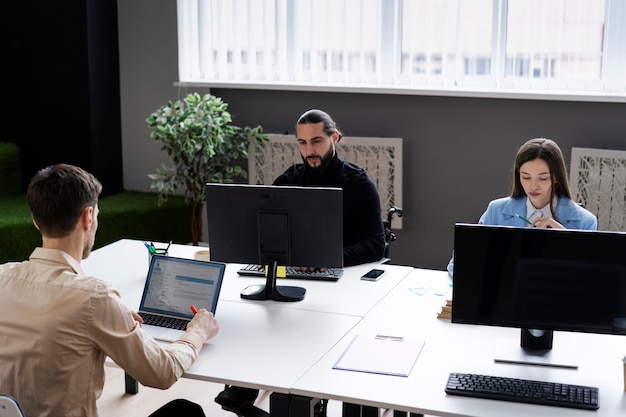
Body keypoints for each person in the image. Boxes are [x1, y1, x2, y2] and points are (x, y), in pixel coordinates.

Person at [0, 164, 220, 417]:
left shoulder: (2, 276)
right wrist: (197, 332)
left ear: (35, 220)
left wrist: (110, 314)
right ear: (88, 216)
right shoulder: (94, 297)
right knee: (185, 411)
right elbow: (163, 372)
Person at [214, 109, 387, 417]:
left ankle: (279, 393)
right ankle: (246, 388)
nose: (310, 151)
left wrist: (327, 260)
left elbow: (376, 243)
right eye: (303, 143)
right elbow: (263, 231)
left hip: (340, 285)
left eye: (317, 141)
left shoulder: (358, 183)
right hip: (293, 278)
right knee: (257, 318)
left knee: (294, 329)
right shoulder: (288, 181)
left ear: (334, 137)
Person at [447, 137, 597, 276]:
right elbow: (458, 264)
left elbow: (588, 279)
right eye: (526, 177)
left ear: (556, 176)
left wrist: (565, 240)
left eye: (542, 178)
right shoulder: (496, 211)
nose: (533, 186)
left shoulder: (585, 221)